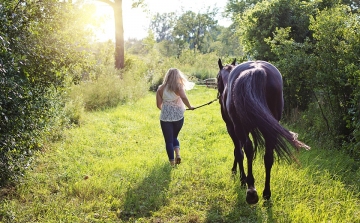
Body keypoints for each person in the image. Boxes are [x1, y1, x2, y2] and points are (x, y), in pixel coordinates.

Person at [156, 68, 194, 166]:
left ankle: (172, 163)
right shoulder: (178, 87)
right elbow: (184, 97)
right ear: (177, 76)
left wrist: (166, 110)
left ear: (167, 76)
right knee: (174, 136)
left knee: (168, 140)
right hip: (178, 116)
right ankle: (178, 154)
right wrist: (190, 107)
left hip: (165, 118)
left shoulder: (160, 88)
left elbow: (159, 105)